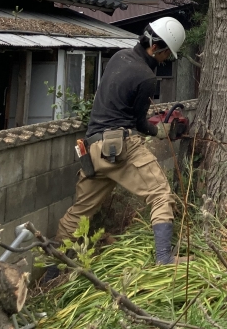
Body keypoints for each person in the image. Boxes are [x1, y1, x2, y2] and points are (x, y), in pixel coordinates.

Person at [55, 17, 189, 265]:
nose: (165, 59)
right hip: (119, 145)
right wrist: (160, 131)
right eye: (166, 54)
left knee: (80, 211)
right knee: (160, 193)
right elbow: (138, 123)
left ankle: (54, 268)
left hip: (92, 150)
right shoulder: (146, 77)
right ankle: (164, 258)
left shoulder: (118, 57)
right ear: (156, 47)